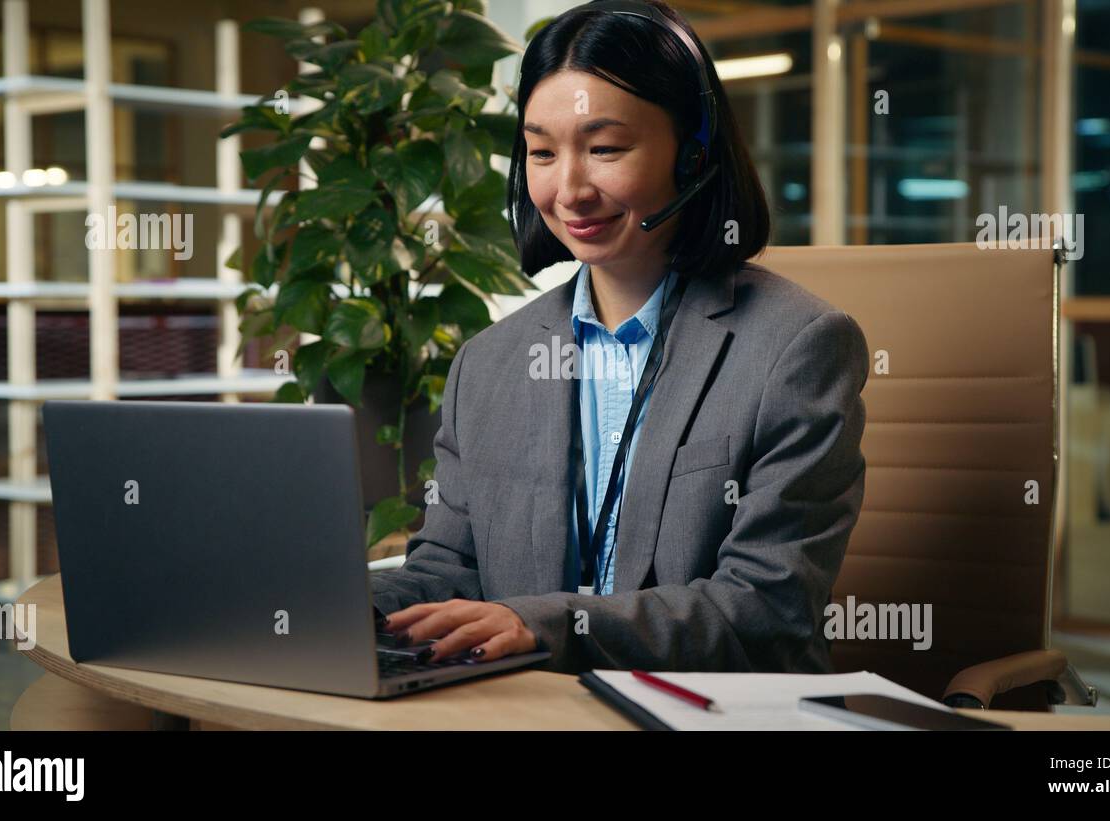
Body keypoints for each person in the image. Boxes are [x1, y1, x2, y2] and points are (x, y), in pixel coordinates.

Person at [371, 0, 869, 674]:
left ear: (692, 155)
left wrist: (545, 623)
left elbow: (764, 612)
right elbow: (450, 568)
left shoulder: (797, 349)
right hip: (527, 715)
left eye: (604, 148)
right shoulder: (487, 365)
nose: (569, 189)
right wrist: (326, 601)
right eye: (542, 152)